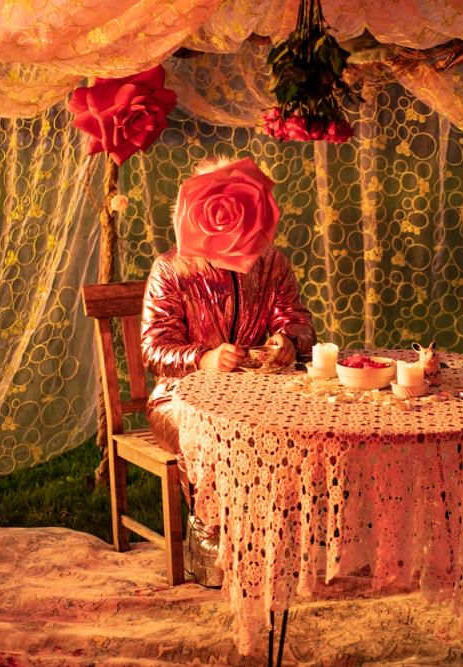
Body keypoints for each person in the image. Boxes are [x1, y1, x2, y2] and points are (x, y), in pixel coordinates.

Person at [140, 157, 315, 581]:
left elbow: (297, 319)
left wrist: (288, 342)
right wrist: (204, 358)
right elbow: (154, 348)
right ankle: (213, 536)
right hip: (181, 397)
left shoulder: (271, 263)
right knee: (210, 434)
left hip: (261, 391)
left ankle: (280, 535)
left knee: (297, 427)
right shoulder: (171, 269)